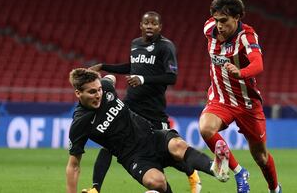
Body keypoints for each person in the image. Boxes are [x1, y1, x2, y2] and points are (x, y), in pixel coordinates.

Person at [85, 11, 201, 193]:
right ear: (140, 25)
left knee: (166, 153)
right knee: (109, 143)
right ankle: (95, 188)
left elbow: (171, 78)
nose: (149, 26)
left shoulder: (166, 47)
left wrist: (143, 79)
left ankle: (192, 173)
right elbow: (132, 67)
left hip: (153, 110)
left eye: (154, 23)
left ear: (160, 27)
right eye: (146, 23)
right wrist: (104, 66)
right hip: (131, 106)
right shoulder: (135, 44)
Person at [66, 68, 223, 193]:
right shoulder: (80, 123)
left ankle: (215, 167)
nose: (98, 95)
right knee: (156, 182)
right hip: (133, 157)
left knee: (177, 145)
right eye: (92, 92)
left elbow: (110, 79)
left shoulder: (106, 88)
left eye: (99, 89)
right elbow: (73, 165)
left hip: (152, 136)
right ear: (78, 93)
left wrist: (94, 76)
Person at [199, 0, 282, 193]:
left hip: (247, 104)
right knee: (206, 128)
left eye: (224, 21)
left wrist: (241, 72)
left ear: (237, 18)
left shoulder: (247, 36)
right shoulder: (209, 29)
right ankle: (239, 172)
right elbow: (213, 24)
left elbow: (258, 64)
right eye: (217, 20)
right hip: (220, 99)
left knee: (261, 157)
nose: (219, 25)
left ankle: (275, 189)